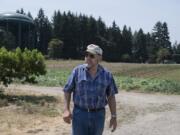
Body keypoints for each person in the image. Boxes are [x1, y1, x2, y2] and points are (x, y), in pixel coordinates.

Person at [63, 44, 118, 135]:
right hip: (80, 114)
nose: (88, 58)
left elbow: (111, 96)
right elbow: (67, 90)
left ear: (99, 58)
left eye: (91, 56)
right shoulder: (77, 71)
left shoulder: (107, 75)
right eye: (86, 55)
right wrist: (66, 109)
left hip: (98, 116)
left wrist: (114, 116)